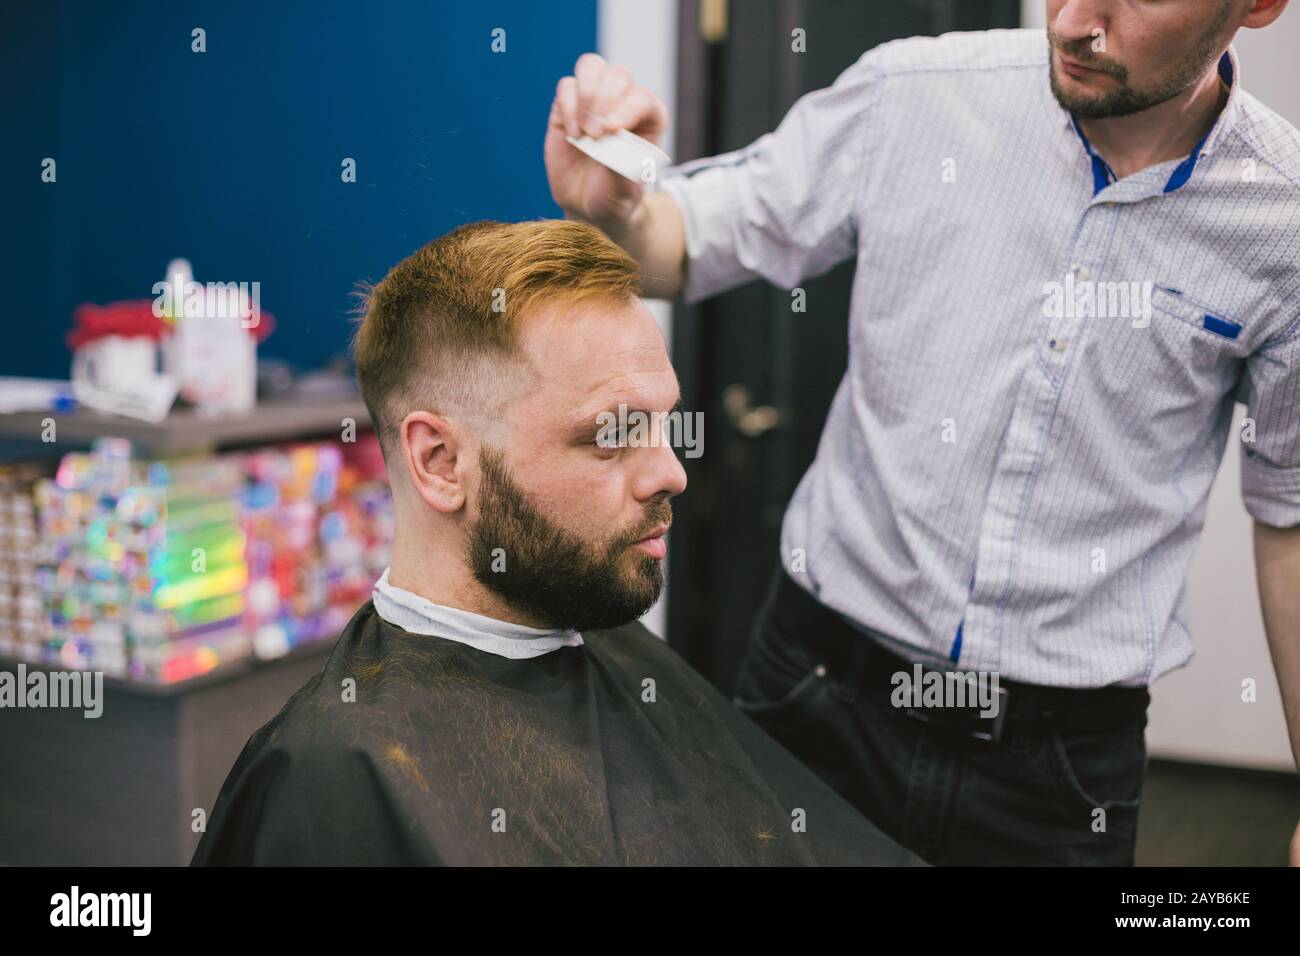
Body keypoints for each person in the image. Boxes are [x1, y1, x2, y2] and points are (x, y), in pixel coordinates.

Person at [544, 0, 1300, 865]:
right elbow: (679, 247)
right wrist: (614, 208)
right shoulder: (914, 92)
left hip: (1058, 765)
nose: (1076, 21)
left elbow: (1290, 511)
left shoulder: (1284, 224)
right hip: (818, 693)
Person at [190, 219, 925, 866]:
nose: (670, 473)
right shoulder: (336, 776)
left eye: (666, 422)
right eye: (613, 435)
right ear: (441, 463)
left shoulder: (616, 649)